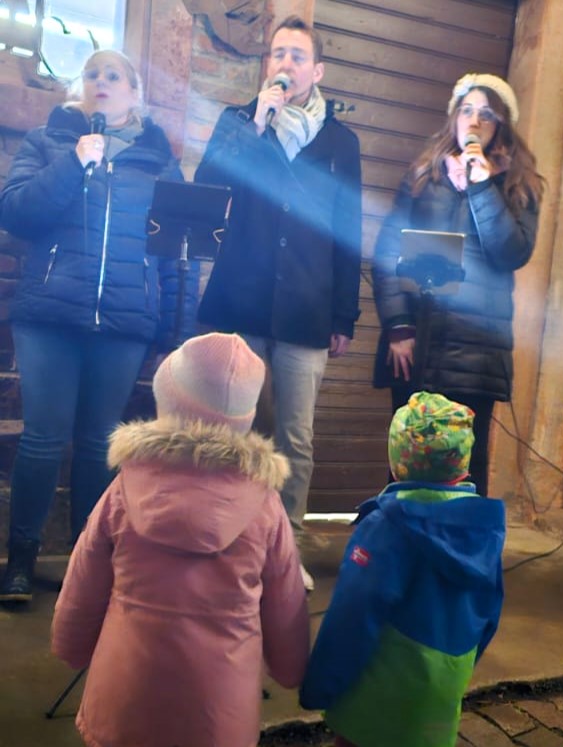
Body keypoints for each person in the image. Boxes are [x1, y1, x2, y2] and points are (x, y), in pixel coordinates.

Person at [0, 49, 197, 603]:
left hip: (124, 321)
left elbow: (176, 252)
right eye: (92, 74)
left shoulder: (158, 161)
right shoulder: (49, 142)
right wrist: (74, 161)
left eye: (114, 75)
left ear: (135, 93)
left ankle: (86, 565)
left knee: (96, 445)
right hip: (50, 316)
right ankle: (20, 562)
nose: (101, 82)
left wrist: (176, 335)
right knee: (42, 440)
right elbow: (16, 212)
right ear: (78, 88)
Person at [52, 332, 310, 747]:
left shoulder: (125, 489)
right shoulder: (265, 505)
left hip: (123, 699)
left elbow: (84, 581)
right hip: (220, 713)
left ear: (167, 403)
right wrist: (290, 667)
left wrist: (71, 646)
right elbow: (286, 600)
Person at [194, 15, 362, 592]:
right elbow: (207, 185)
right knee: (232, 430)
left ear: (318, 71)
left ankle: (284, 551)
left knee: (296, 437)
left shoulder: (341, 143)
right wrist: (256, 125)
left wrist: (344, 315)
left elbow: (348, 230)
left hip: (307, 308)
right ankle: (226, 541)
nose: (285, 64)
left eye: (297, 56)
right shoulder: (239, 120)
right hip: (241, 301)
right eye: (277, 54)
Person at [300, 391, 505, 747]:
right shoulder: (483, 526)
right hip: (441, 695)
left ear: (397, 462)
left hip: (378, 699)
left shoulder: (385, 526)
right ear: (463, 464)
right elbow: (490, 611)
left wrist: (320, 685)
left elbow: (352, 615)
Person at [372, 73, 543, 496]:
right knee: (406, 457)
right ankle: (399, 533)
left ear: (501, 125)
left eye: (486, 114)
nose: (474, 121)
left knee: (466, 465)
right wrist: (398, 327)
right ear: (453, 118)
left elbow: (511, 253)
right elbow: (387, 250)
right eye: (466, 110)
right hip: (418, 343)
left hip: (475, 353)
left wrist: (482, 187)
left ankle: (459, 537)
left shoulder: (518, 185)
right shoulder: (423, 175)